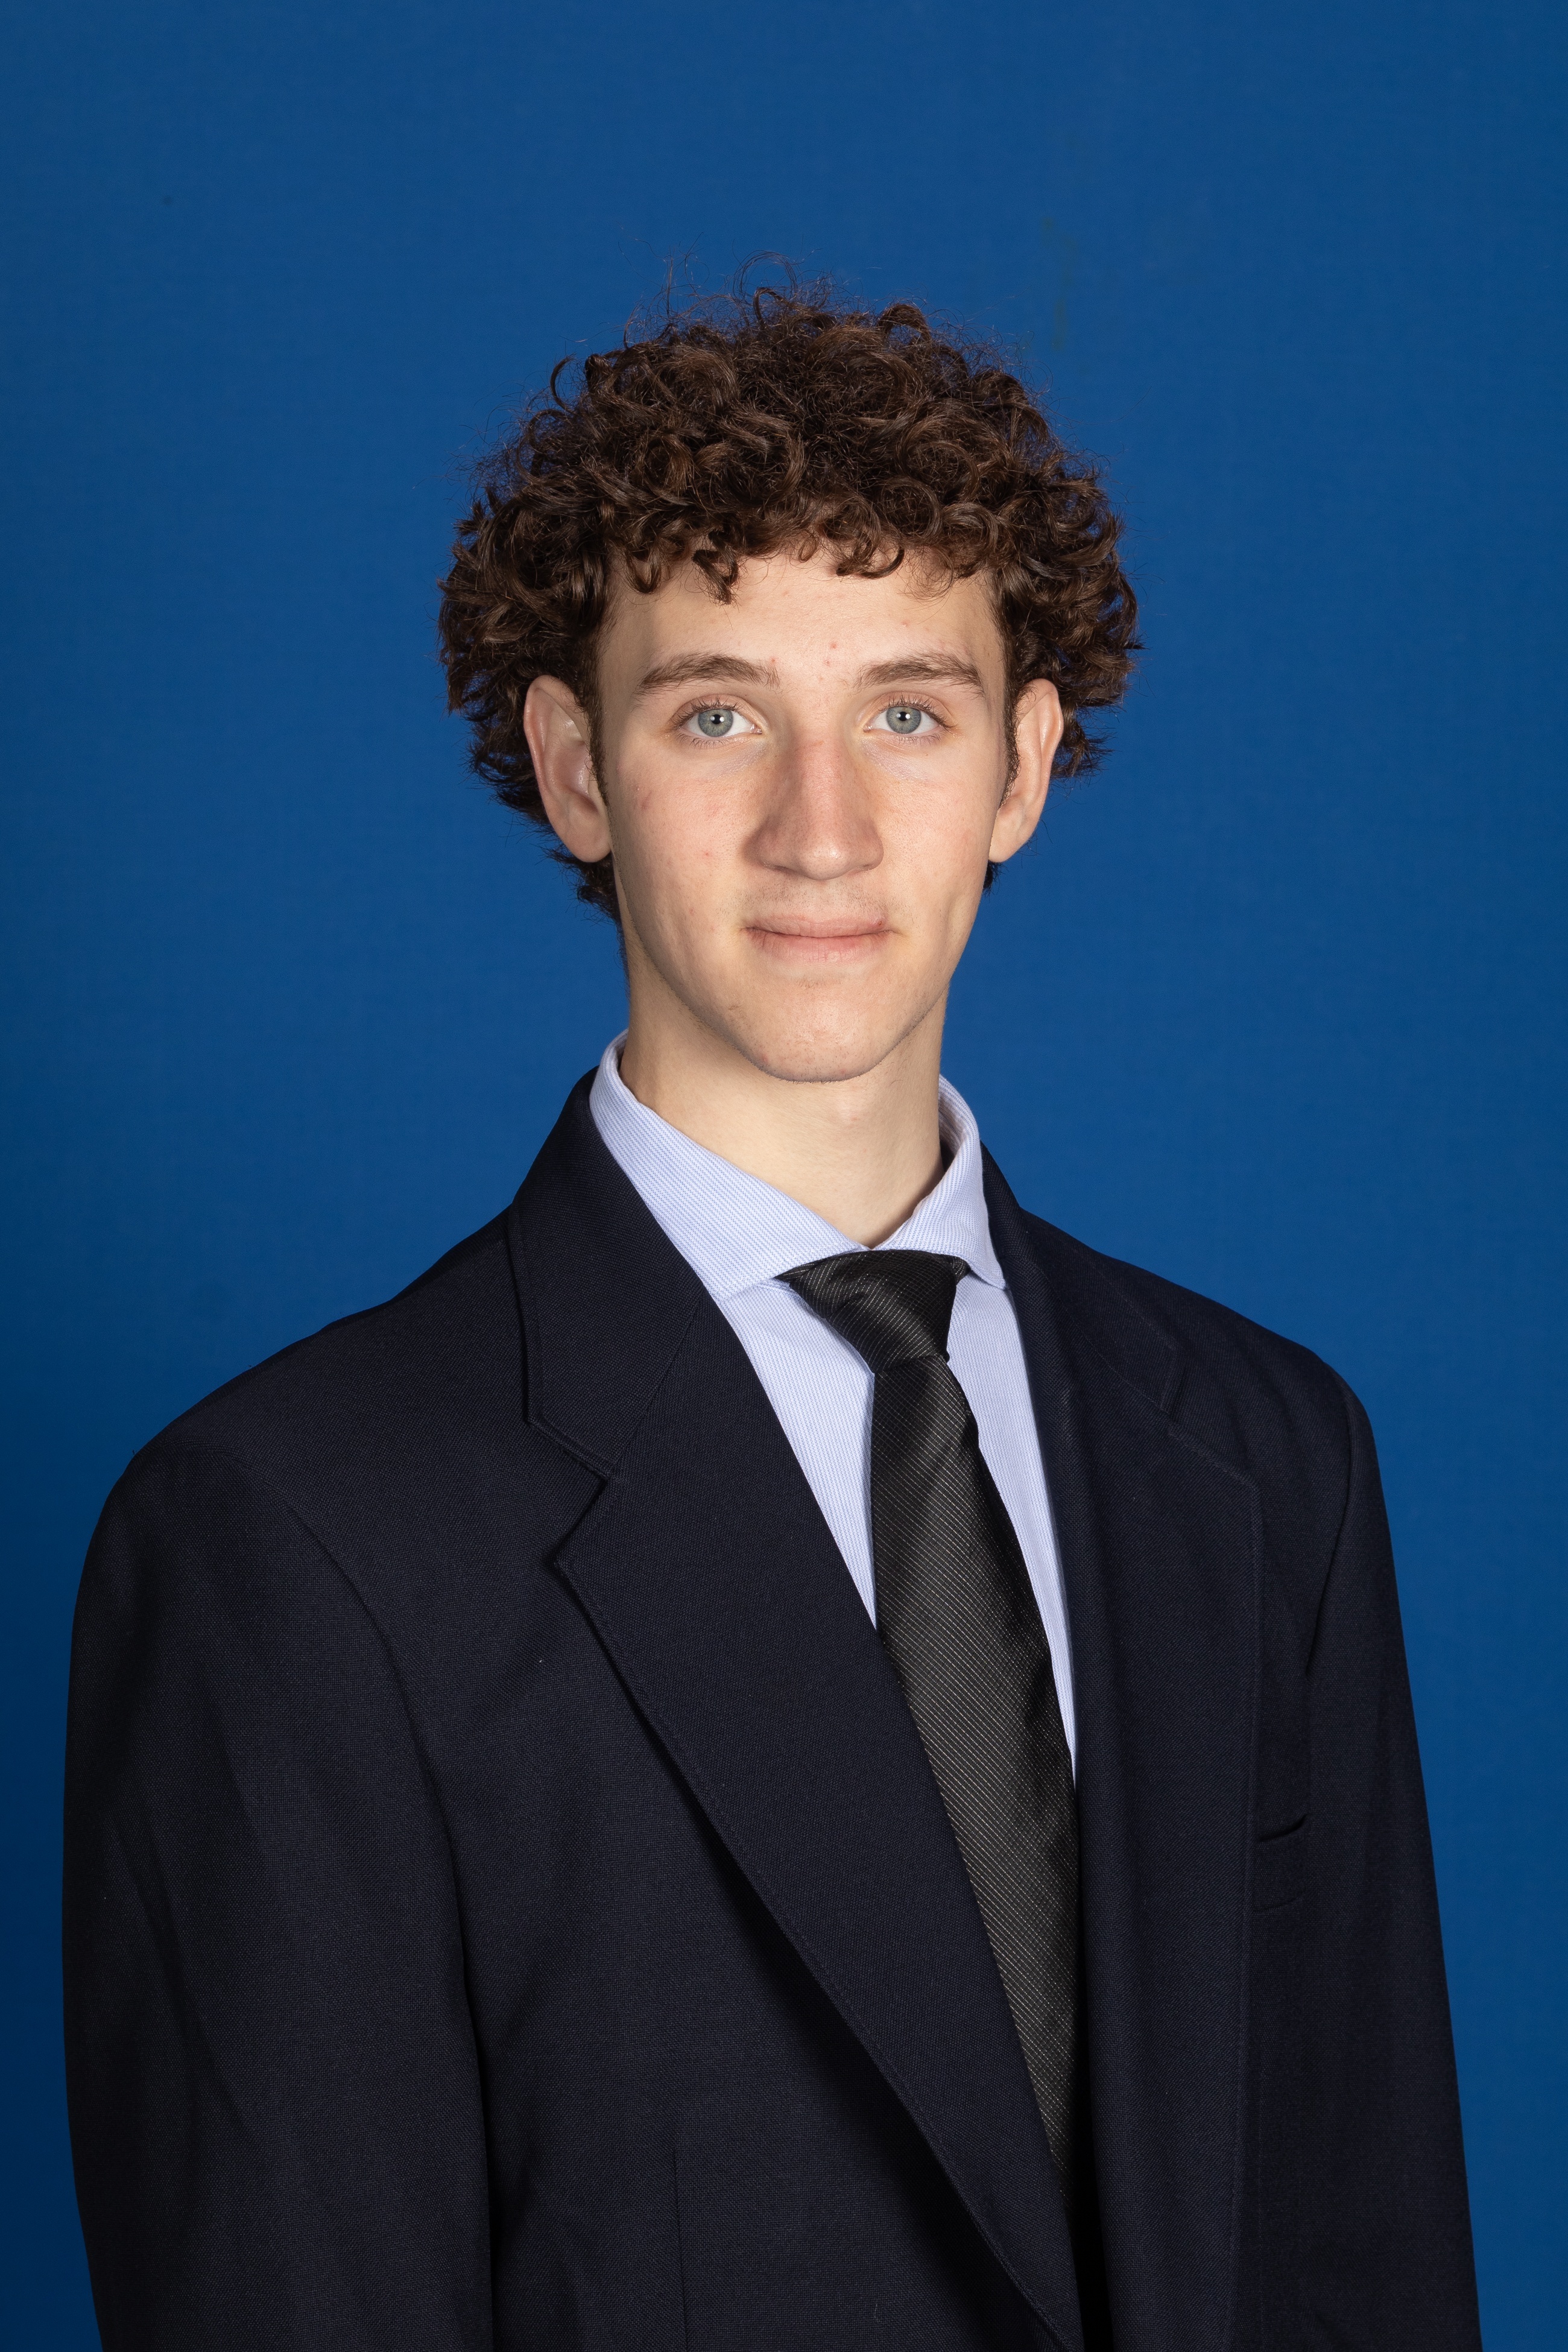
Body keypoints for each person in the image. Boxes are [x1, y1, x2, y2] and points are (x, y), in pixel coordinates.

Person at [63, 285, 1481, 2352]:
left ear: (1022, 767)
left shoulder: (1271, 1457)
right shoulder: (289, 1539)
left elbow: (1369, 2259)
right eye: (717, 714)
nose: (823, 827)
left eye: (908, 712)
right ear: (576, 769)